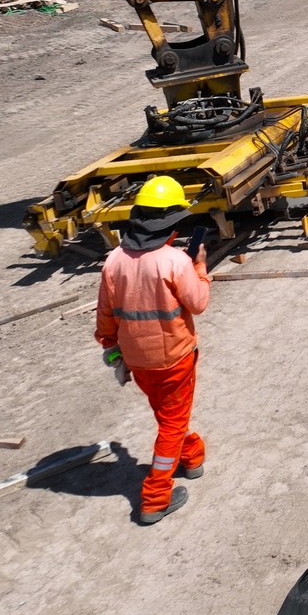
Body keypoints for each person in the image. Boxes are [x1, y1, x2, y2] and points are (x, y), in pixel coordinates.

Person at [95, 175, 211, 525]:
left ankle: (191, 458)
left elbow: (105, 316)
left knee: (168, 414)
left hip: (138, 361)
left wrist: (111, 349)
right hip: (175, 358)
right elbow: (199, 302)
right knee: (172, 422)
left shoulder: (114, 260)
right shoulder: (175, 261)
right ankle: (155, 498)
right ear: (172, 226)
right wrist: (200, 266)